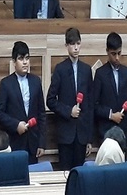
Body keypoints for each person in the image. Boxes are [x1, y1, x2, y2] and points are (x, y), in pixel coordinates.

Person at [46, 27, 93, 170]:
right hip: (65, 134)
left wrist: (89, 138)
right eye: (72, 44)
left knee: (81, 173)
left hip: (82, 135)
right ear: (66, 46)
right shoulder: (60, 69)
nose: (76, 48)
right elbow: (50, 100)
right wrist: (68, 111)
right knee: (65, 173)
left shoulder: (86, 70)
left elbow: (89, 105)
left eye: (78, 43)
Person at [0, 41, 46, 164]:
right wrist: (16, 125)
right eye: (21, 58)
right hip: (15, 141)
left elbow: (41, 113)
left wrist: (41, 143)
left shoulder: (35, 81)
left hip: (33, 143)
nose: (25, 62)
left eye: (27, 58)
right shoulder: (6, 83)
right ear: (14, 62)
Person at [93, 32, 127, 155]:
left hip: (124, 132)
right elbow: (94, 105)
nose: (117, 58)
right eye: (113, 54)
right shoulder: (100, 74)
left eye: (119, 53)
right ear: (107, 51)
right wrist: (111, 115)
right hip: (106, 132)